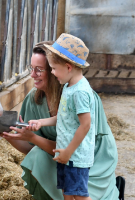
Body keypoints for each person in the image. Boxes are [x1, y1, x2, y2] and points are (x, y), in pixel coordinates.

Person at [0, 40, 120, 199]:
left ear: (57, 69)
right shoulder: (34, 99)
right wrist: (6, 133)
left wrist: (33, 138)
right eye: (31, 68)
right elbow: (31, 148)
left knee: (78, 193)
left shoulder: (80, 95)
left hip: (90, 163)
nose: (32, 75)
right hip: (62, 158)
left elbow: (79, 145)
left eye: (39, 70)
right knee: (39, 158)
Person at [28, 33, 95, 200]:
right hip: (65, 154)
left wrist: (68, 152)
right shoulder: (68, 86)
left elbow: (85, 125)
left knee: (79, 196)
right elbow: (64, 117)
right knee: (67, 193)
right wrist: (41, 122)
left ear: (68, 67)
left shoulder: (80, 92)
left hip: (76, 157)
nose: (52, 72)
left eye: (54, 68)